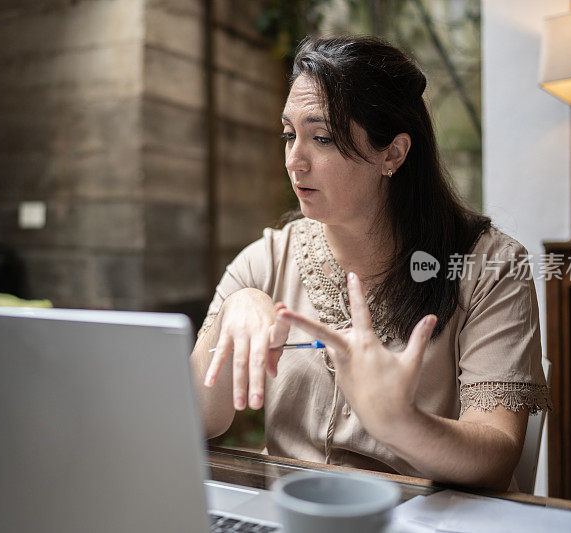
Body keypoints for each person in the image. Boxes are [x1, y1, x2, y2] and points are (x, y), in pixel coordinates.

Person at [189, 36, 550, 491]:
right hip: (295, 516)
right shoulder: (267, 260)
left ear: (393, 153)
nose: (294, 161)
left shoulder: (491, 267)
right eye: (288, 135)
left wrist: (402, 422)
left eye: (321, 138)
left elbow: (496, 455)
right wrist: (233, 312)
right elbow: (194, 422)